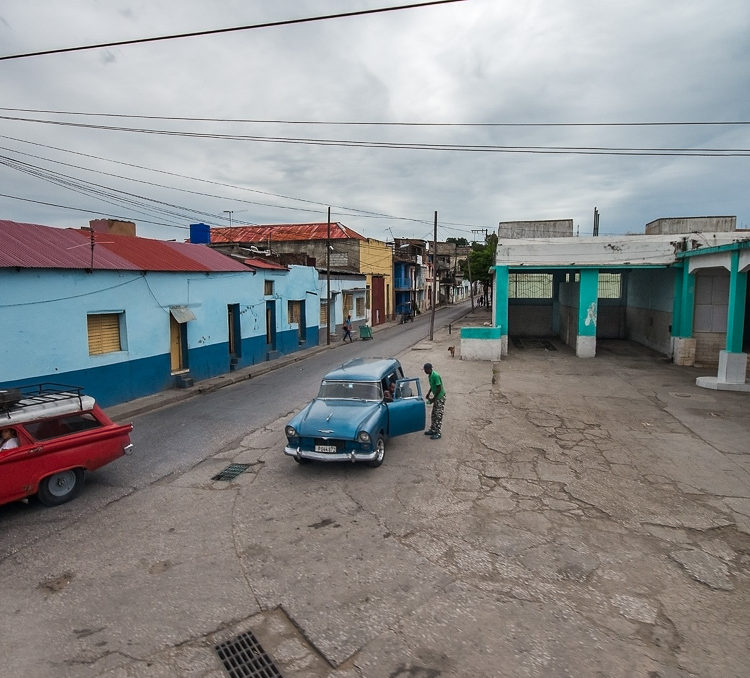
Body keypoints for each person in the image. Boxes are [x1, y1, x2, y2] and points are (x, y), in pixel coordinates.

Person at [423, 363, 446, 440]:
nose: (425, 371)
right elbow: (432, 385)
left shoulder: (435, 375)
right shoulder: (430, 375)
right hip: (436, 396)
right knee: (433, 414)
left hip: (440, 397)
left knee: (438, 415)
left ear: (429, 369)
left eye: (425, 370)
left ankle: (438, 432)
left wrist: (433, 399)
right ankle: (433, 430)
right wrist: (429, 393)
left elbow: (439, 388)